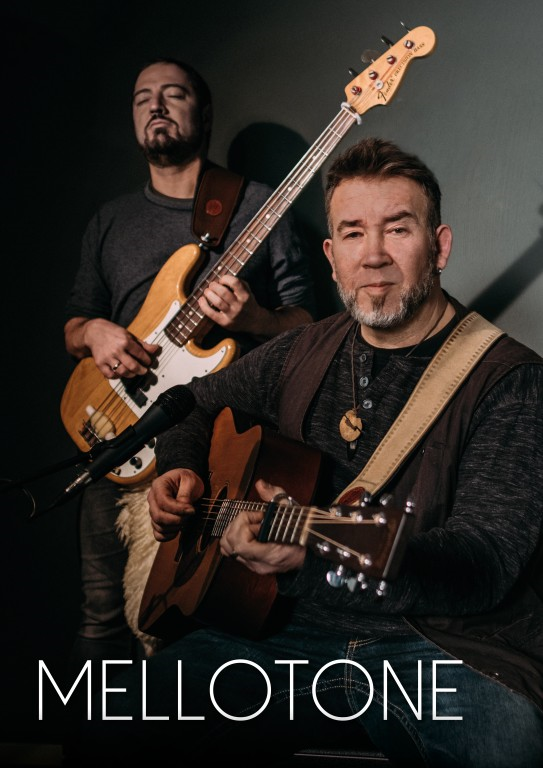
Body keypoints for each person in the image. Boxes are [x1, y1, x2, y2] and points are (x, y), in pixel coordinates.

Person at [74, 137, 543, 767]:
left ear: (439, 247)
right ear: (331, 256)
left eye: (397, 228)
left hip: (439, 646)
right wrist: (182, 468)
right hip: (289, 633)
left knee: (506, 748)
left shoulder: (510, 379)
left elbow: (481, 564)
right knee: (110, 717)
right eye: (352, 233)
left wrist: (312, 557)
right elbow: (195, 402)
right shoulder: (302, 350)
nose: (373, 254)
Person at [63, 57, 315, 669]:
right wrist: (95, 332)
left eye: (173, 94)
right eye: (142, 96)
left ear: (203, 113)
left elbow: (309, 325)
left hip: (205, 438)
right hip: (110, 429)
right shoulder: (110, 220)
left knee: (177, 621)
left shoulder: (258, 205)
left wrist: (256, 320)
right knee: (99, 616)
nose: (155, 105)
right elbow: (75, 325)